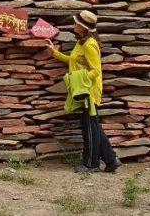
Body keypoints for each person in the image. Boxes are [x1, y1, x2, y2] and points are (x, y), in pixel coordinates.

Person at [45, 10, 121, 173]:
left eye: (76, 23)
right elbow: (74, 61)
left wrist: (76, 79)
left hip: (88, 92)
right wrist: (55, 54)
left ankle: (91, 164)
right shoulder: (81, 43)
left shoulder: (89, 45)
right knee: (93, 126)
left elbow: (96, 71)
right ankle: (111, 159)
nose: (73, 25)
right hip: (83, 90)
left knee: (89, 129)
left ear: (83, 27)